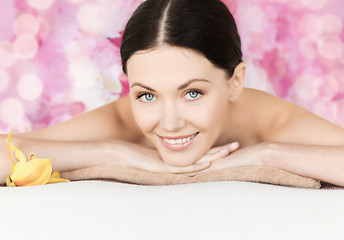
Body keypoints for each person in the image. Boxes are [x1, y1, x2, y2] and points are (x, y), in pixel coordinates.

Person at [1, 0, 344, 186]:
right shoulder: (124, 120)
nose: (170, 122)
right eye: (147, 95)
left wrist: (268, 154)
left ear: (235, 82)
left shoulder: (272, 121)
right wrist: (117, 151)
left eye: (192, 93)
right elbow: (8, 152)